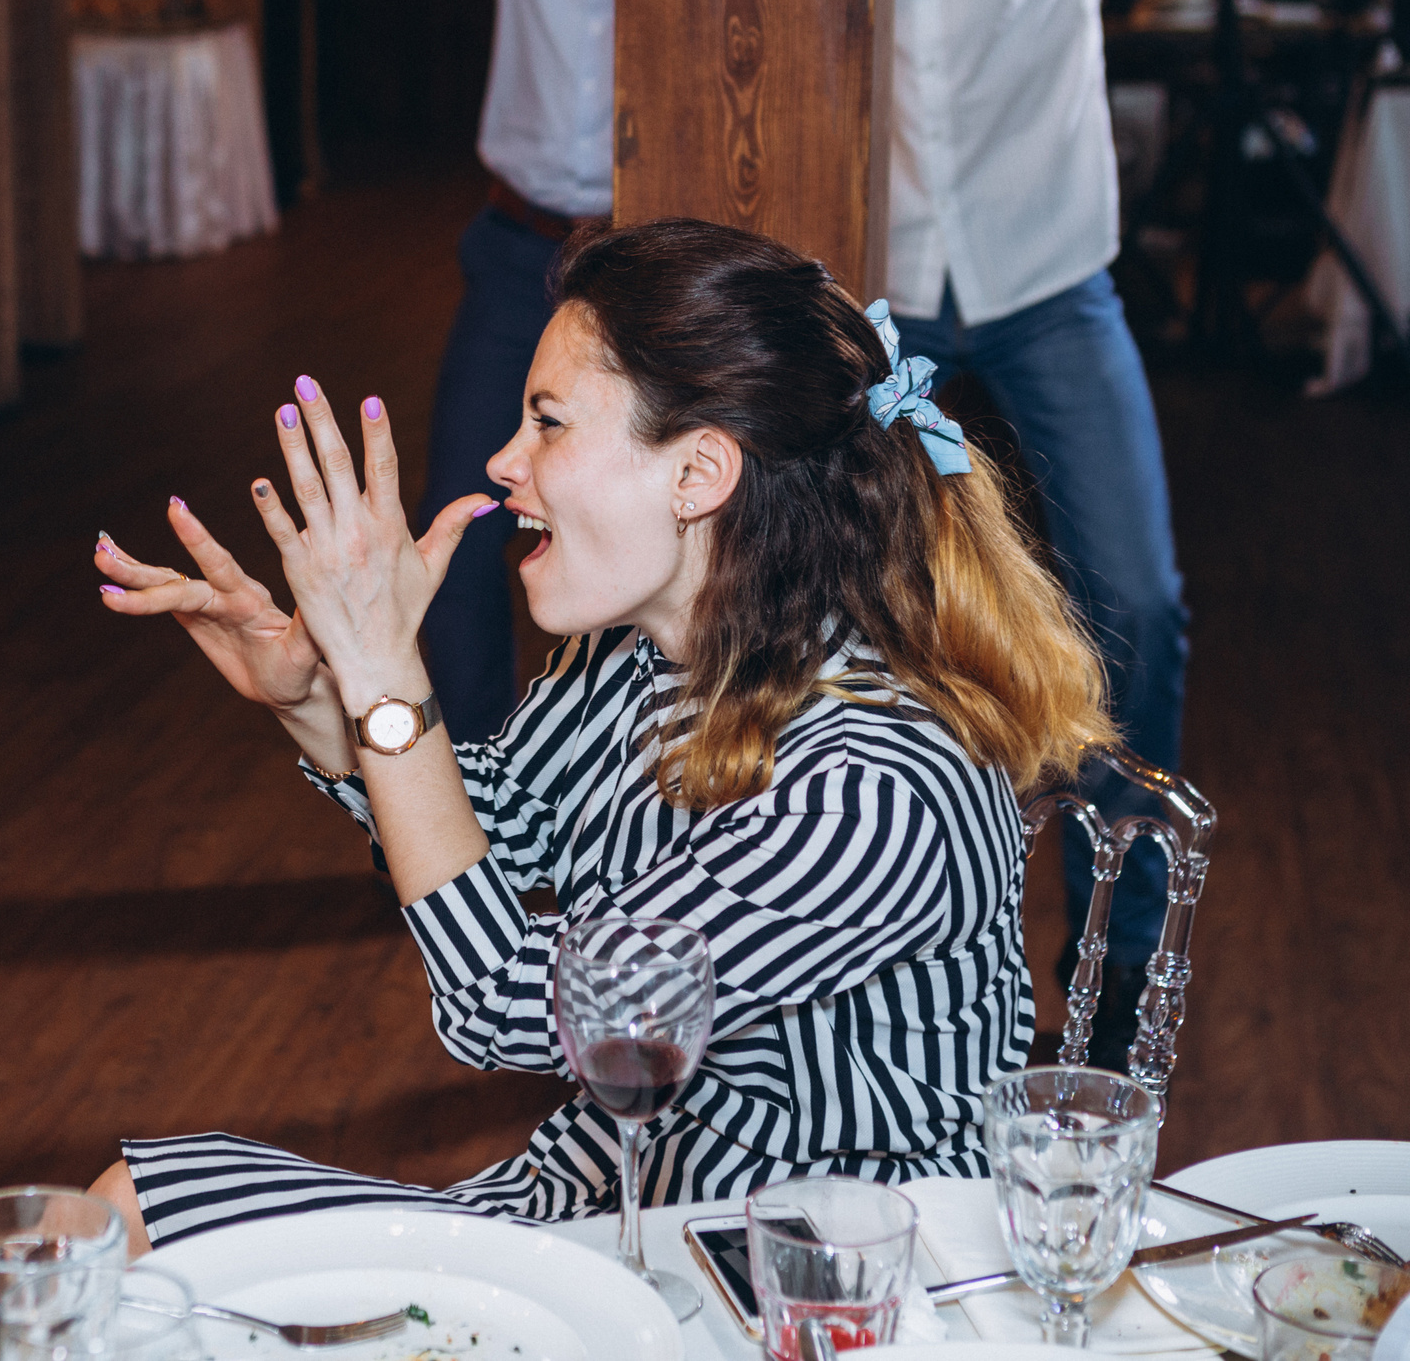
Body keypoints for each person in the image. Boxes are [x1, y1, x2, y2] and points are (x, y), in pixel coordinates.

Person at [84, 218, 1114, 1252]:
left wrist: (386, 674)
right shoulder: (642, 654)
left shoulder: (871, 787)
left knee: (150, 1233)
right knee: (126, 1209)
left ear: (697, 473)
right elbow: (494, 819)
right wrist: (317, 697)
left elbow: (508, 1003)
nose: (501, 462)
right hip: (620, 1192)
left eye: (548, 424)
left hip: (808, 1264)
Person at [889, 0, 1214, 1065]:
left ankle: (1109, 978)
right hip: (886, 306)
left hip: (1043, 282)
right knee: (870, 602)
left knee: (1131, 599)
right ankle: (899, 959)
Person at [283, 0, 619, 745]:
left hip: (662, 263)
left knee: (672, 547)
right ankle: (468, 815)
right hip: (519, 249)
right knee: (464, 527)